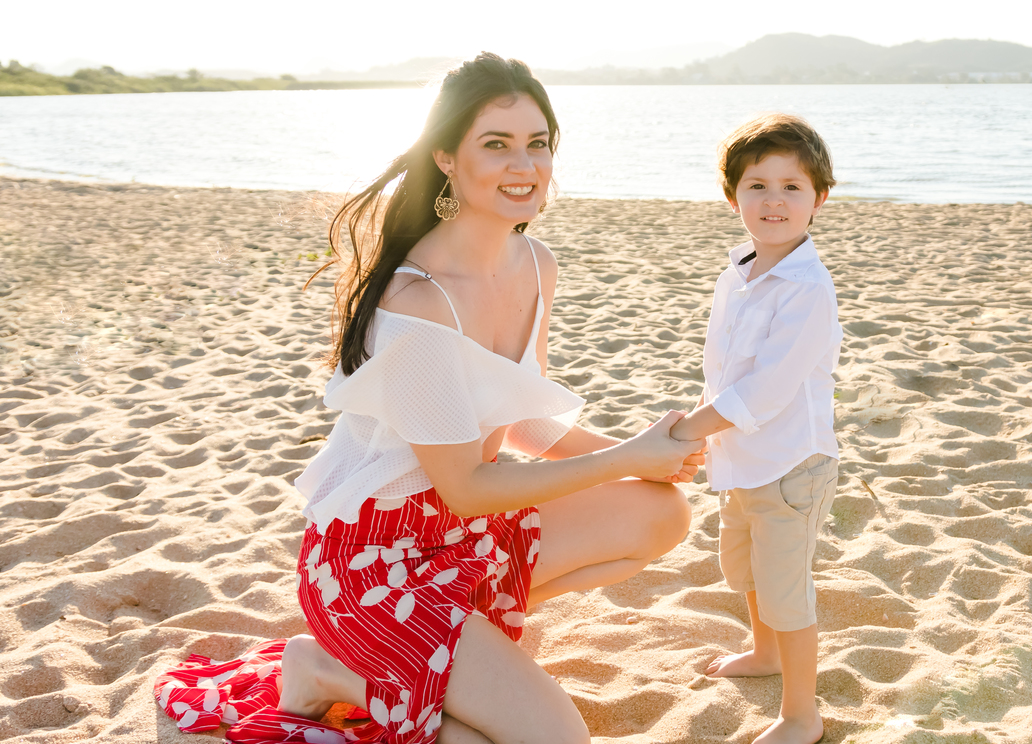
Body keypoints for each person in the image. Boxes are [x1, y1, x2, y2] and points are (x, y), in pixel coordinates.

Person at [154, 53, 703, 744]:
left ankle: (462, 640)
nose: (524, 165)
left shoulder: (536, 264)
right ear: (446, 157)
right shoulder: (419, 301)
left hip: (467, 540)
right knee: (553, 739)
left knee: (661, 511)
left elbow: (523, 418)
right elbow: (468, 486)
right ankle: (331, 669)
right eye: (496, 145)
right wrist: (625, 453)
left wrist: (642, 463)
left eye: (538, 144)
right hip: (376, 563)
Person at [667, 113, 843, 744]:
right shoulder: (738, 271)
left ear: (818, 198)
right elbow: (724, 371)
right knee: (745, 568)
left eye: (792, 187)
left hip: (790, 463)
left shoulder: (807, 289)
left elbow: (764, 390)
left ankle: (802, 714)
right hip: (740, 458)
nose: (774, 200)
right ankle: (762, 652)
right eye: (757, 186)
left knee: (786, 588)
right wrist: (706, 425)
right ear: (734, 196)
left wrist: (688, 430)